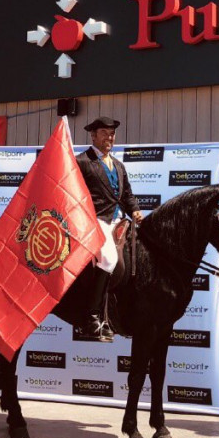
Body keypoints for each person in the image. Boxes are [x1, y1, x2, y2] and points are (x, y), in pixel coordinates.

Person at [74, 116, 143, 340]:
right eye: (104, 133)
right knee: (109, 260)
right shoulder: (83, 161)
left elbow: (127, 195)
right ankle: (91, 315)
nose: (109, 137)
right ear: (93, 135)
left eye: (112, 134)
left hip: (119, 220)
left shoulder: (119, 165)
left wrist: (134, 210)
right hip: (96, 220)